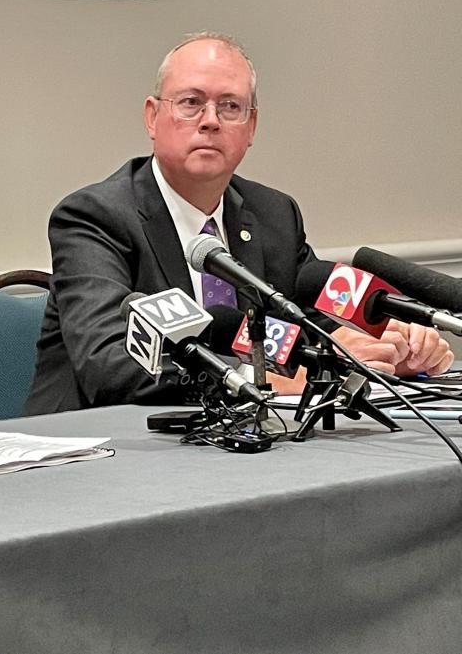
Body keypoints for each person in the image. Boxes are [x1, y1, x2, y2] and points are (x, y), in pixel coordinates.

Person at [26, 31, 453, 415]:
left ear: (251, 126)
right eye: (191, 103)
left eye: (230, 106)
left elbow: (309, 324)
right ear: (152, 118)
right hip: (95, 454)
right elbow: (110, 366)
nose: (211, 120)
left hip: (239, 444)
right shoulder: (94, 217)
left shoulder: (273, 215)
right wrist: (257, 378)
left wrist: (387, 347)